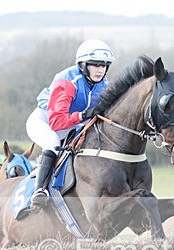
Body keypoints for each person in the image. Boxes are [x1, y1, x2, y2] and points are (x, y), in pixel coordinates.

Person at [25, 39, 115, 206]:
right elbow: (56, 121)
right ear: (83, 65)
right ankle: (40, 190)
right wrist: (82, 116)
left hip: (73, 125)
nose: (100, 70)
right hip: (44, 120)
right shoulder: (67, 80)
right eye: (95, 65)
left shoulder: (104, 84)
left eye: (104, 65)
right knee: (52, 142)